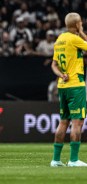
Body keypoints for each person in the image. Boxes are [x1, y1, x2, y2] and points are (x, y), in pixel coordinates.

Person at [50, 12, 87, 167]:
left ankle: (56, 160)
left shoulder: (59, 40)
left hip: (63, 86)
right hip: (75, 85)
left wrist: (61, 75)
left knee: (63, 121)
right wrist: (82, 32)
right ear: (77, 24)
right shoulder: (75, 39)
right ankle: (73, 160)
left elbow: (54, 65)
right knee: (77, 122)